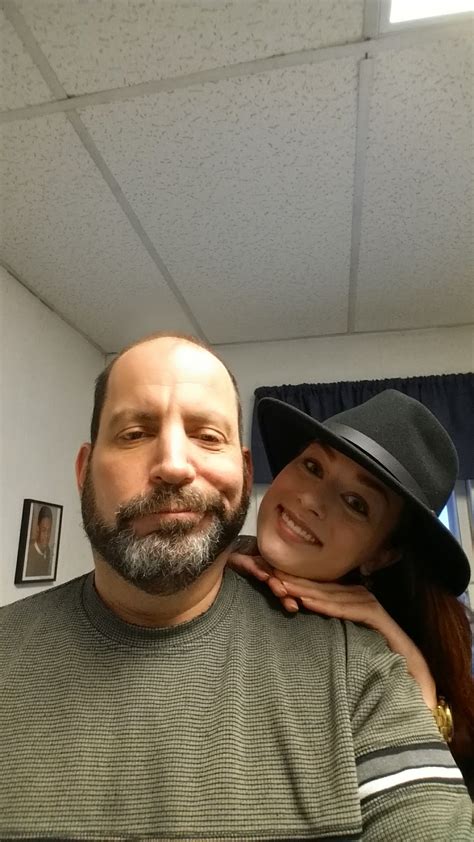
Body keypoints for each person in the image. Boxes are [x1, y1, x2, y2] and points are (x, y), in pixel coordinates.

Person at [0, 334, 472, 841]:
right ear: (84, 472)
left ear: (245, 476)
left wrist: (423, 695)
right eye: (135, 433)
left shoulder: (364, 665)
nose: (174, 465)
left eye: (357, 504)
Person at [229, 391, 474, 794]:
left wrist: (421, 689)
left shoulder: (373, 662)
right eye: (312, 466)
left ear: (381, 554)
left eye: (356, 503)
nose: (311, 500)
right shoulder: (206, 565)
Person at [25, 504, 53, 576]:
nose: (46, 535)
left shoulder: (47, 550)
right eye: (44, 530)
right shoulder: (28, 553)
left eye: (49, 531)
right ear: (38, 529)